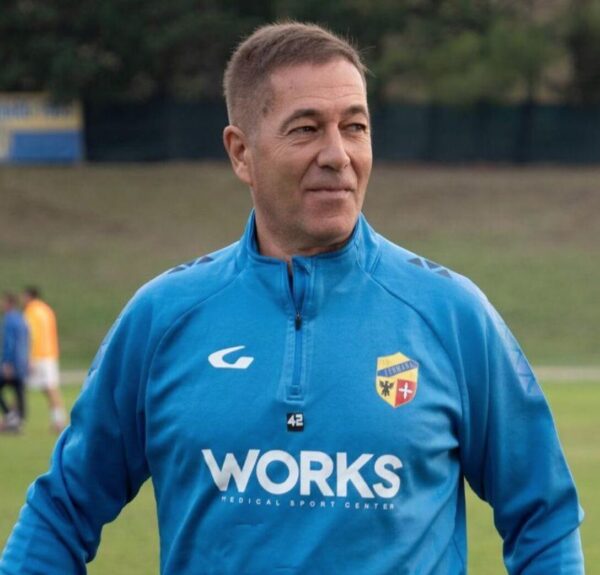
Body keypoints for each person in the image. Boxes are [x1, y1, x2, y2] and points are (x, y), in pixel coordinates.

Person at [0, 22, 584, 574]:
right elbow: (60, 513)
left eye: (355, 127)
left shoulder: (451, 315)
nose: (338, 154)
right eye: (306, 129)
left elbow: (544, 516)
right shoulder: (164, 318)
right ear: (241, 152)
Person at [21, 286, 67, 433]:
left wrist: (28, 357)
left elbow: (31, 335)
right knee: (50, 387)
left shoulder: (31, 312)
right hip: (50, 353)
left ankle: (13, 418)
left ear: (29, 296)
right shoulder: (47, 310)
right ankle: (59, 419)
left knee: (21, 386)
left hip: (38, 355)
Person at [0, 293, 29, 432]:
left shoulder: (9, 320)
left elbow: (9, 343)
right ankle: (19, 420)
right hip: (22, 362)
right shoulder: (22, 319)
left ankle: (10, 416)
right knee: (19, 391)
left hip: (12, 363)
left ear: (9, 303)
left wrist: (7, 362)